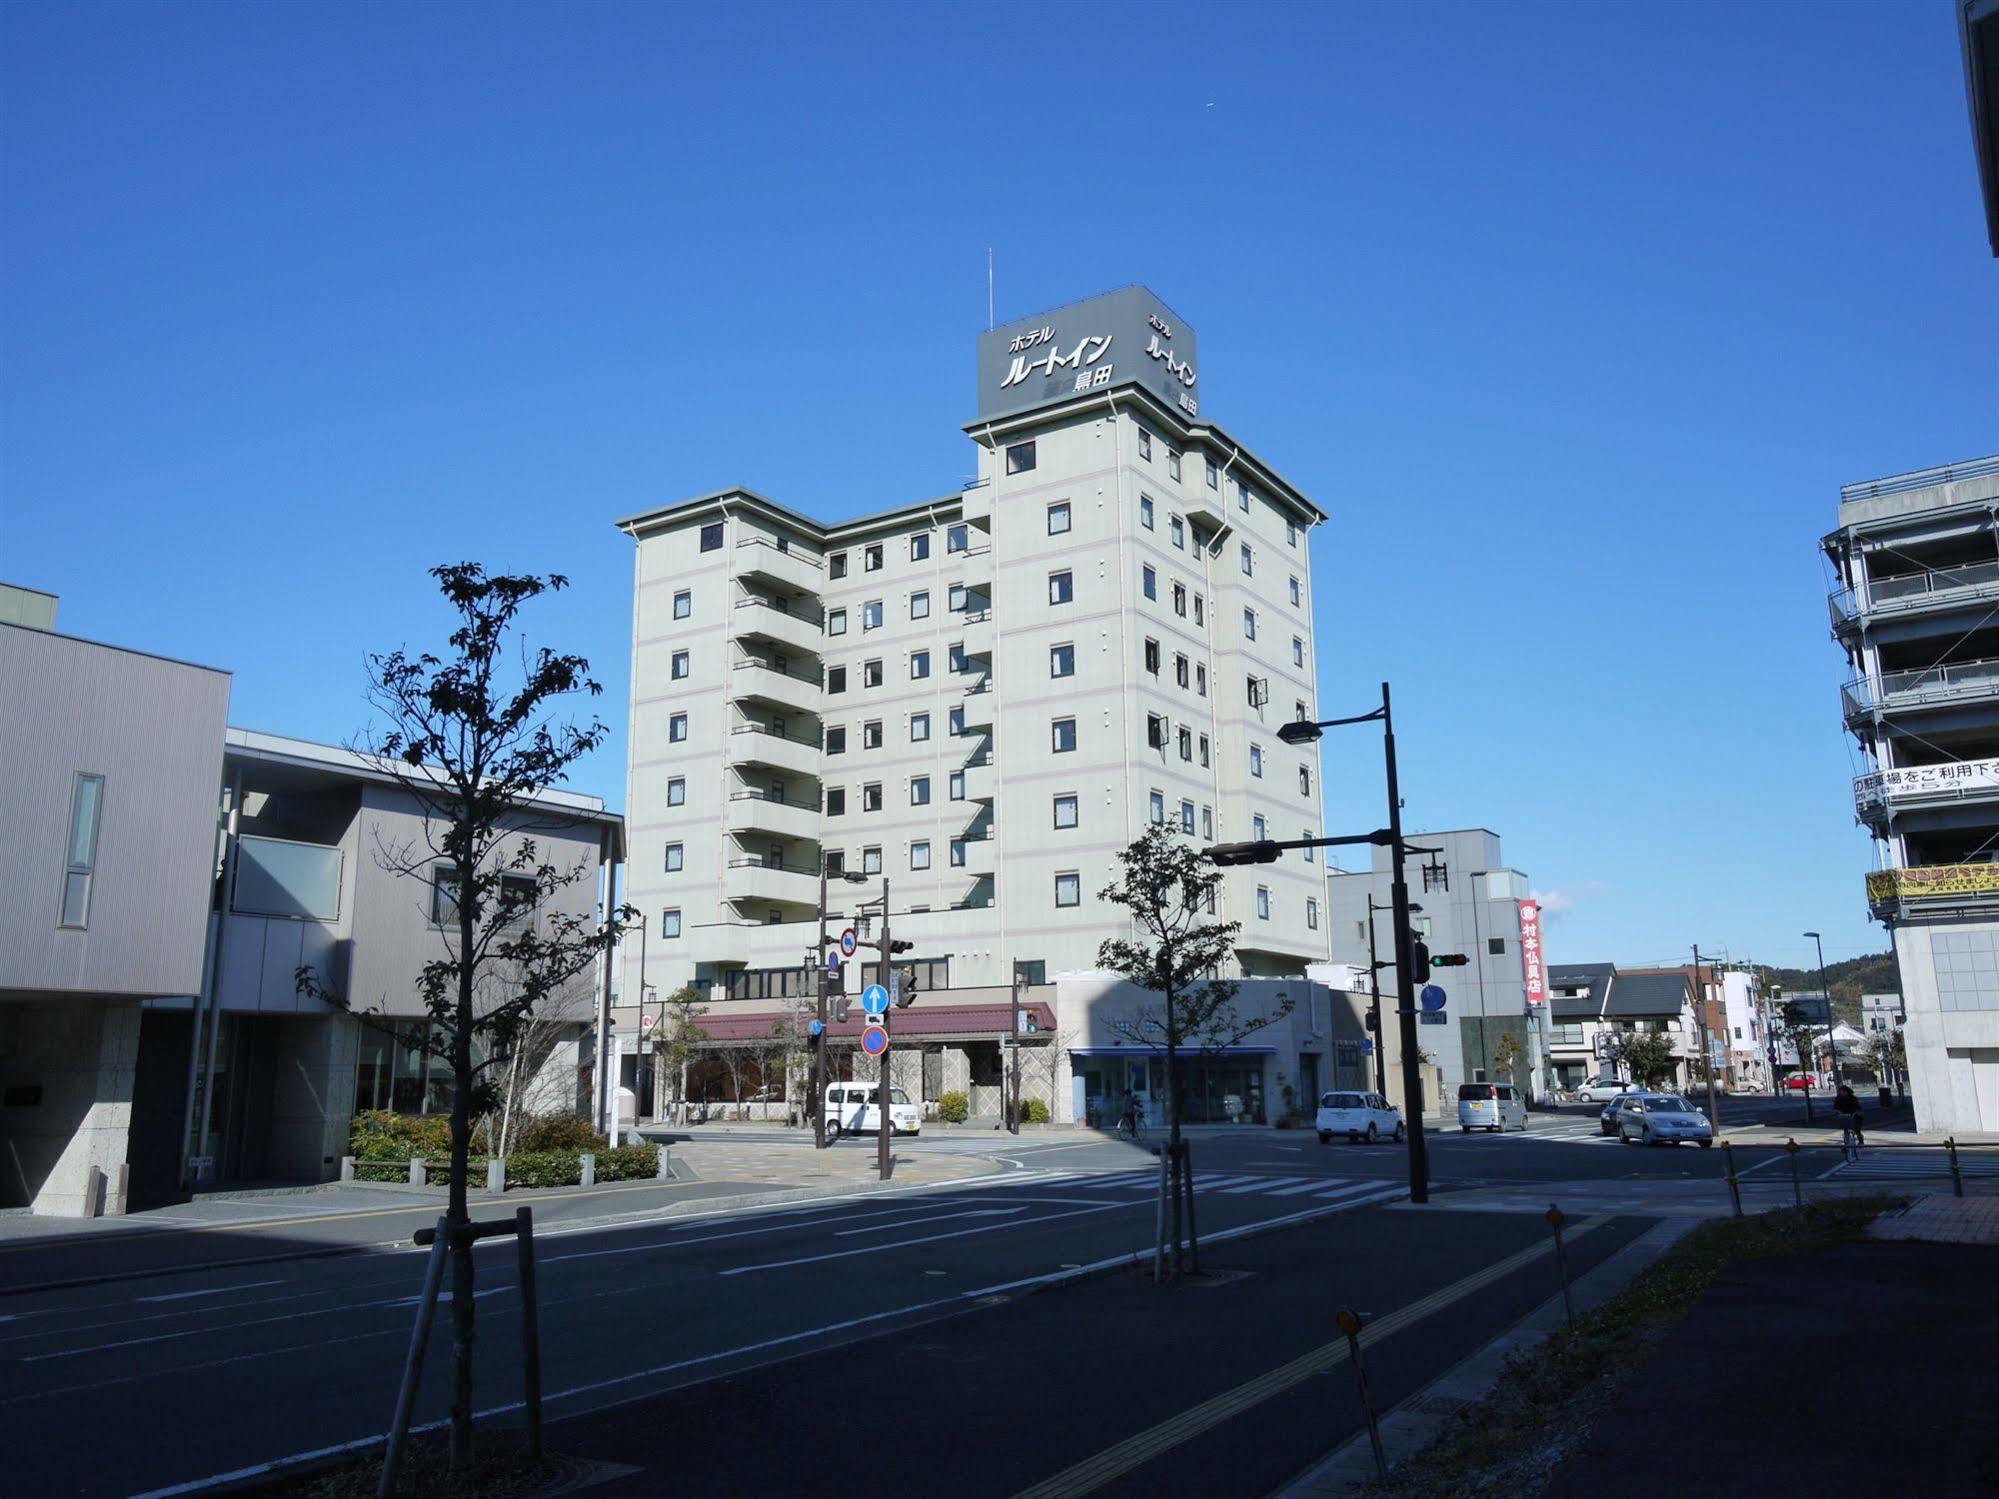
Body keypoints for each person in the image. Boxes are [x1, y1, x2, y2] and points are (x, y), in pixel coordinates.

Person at [1833, 1083, 1865, 1159]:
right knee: (1846, 1130)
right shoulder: (1838, 1099)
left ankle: (1860, 1140)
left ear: (1846, 1091)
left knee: (1857, 1129)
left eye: (1842, 1091)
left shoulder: (1853, 1098)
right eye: (1840, 1092)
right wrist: (1838, 1112)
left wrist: (1857, 1112)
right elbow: (1835, 1107)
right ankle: (1846, 1145)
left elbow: (1858, 1107)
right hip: (1844, 1116)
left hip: (1854, 1115)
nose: (1841, 1093)